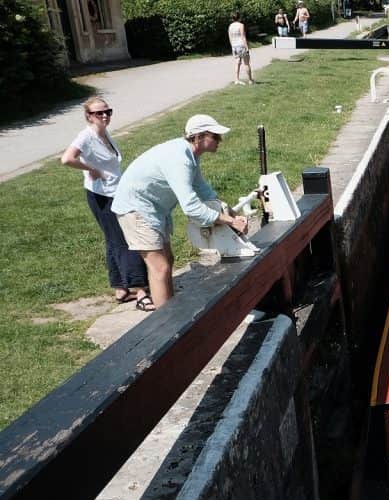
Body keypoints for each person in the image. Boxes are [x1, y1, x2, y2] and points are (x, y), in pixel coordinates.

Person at [112, 114, 249, 311]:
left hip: (154, 208)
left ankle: (169, 307)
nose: (220, 140)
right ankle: (166, 323)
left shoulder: (190, 155)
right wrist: (229, 221)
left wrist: (230, 212)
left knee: (167, 260)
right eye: (215, 136)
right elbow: (192, 208)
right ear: (199, 137)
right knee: (160, 268)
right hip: (136, 208)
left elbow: (203, 190)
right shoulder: (180, 159)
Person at [61, 97, 148, 305]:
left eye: (108, 111)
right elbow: (67, 159)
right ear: (88, 116)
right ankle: (140, 289)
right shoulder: (86, 136)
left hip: (115, 192)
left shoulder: (103, 133)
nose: (104, 116)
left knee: (112, 240)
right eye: (99, 113)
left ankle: (120, 289)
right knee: (123, 240)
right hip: (102, 196)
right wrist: (91, 170)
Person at [228, 13, 253, 85]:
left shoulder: (230, 26)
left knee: (237, 63)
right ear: (239, 18)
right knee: (246, 63)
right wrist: (247, 47)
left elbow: (230, 37)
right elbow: (243, 36)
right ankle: (250, 80)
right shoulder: (241, 25)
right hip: (241, 45)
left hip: (234, 46)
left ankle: (236, 79)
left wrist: (232, 46)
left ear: (232, 18)